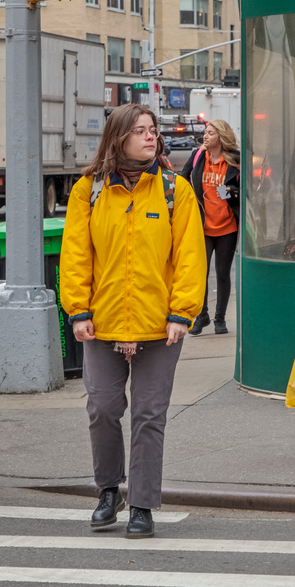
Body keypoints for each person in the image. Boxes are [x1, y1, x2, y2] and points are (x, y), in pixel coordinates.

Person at [61, 103, 207, 539]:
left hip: (160, 326)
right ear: (118, 136)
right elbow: (75, 256)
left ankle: (142, 504)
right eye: (141, 131)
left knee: (148, 415)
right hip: (101, 323)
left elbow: (189, 257)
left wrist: (183, 313)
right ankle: (109, 491)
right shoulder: (88, 190)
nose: (151, 137)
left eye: (153, 130)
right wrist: (78, 311)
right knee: (102, 408)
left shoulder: (173, 191)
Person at [181, 120, 241, 336]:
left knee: (223, 273)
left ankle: (219, 319)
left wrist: (230, 190)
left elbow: (244, 189)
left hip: (227, 227)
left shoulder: (235, 159)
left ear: (221, 137)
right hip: (203, 226)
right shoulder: (198, 156)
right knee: (201, 273)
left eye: (210, 133)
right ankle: (202, 315)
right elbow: (182, 179)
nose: (205, 137)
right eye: (205, 133)